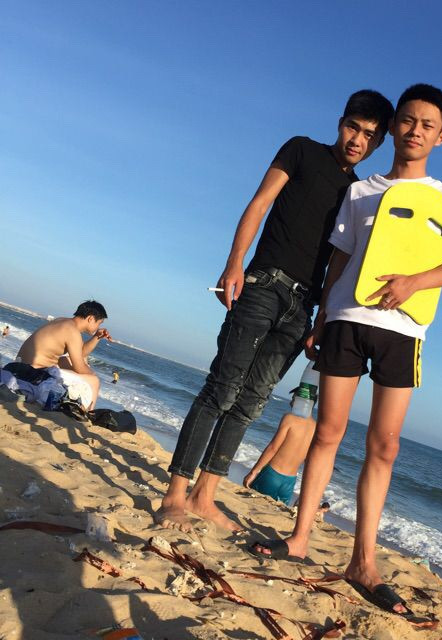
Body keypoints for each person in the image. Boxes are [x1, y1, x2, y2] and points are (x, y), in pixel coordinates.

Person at [251, 84, 442, 621]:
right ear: (394, 126)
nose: (415, 130)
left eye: (427, 125)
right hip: (347, 320)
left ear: (441, 137)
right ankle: (300, 538)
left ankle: (363, 562)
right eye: (408, 120)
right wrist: (322, 317)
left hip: (404, 329)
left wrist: (415, 282)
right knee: (326, 432)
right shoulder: (362, 190)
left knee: (385, 446)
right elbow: (339, 258)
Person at [155, 89, 394, 533]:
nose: (357, 140)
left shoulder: (358, 193)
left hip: (303, 307)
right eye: (353, 128)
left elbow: (340, 261)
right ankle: (174, 494)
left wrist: (323, 317)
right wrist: (234, 263)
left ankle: (205, 495)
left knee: (251, 402)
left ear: (379, 144)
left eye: (369, 135)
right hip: (265, 283)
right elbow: (260, 203)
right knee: (222, 388)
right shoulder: (301, 149)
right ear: (341, 122)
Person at [13, 300, 111, 410]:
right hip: (34, 373)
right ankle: (89, 412)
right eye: (99, 323)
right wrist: (92, 375)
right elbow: (79, 367)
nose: (98, 326)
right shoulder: (72, 331)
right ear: (91, 319)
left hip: (19, 365)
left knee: (67, 361)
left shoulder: (62, 321)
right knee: (94, 381)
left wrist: (97, 336)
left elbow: (81, 352)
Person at [243, 389, 317, 505]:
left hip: (272, 475)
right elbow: (309, 461)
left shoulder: (290, 418)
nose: (291, 402)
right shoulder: (315, 427)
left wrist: (254, 472)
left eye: (294, 399)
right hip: (290, 482)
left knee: (252, 505)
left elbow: (273, 447)